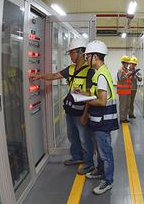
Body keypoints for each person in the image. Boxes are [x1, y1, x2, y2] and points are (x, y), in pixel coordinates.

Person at [30, 37, 95, 173]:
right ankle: (77, 157)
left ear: (80, 53)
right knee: (72, 136)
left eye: (72, 52)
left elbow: (91, 95)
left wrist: (85, 115)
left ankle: (89, 163)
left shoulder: (89, 71)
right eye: (70, 53)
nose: (70, 55)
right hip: (71, 110)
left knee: (85, 138)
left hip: (82, 111)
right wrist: (40, 76)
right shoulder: (70, 69)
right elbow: (54, 76)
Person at [75, 40, 118, 195]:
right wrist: (82, 94)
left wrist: (84, 100)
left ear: (96, 57)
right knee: (101, 151)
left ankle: (108, 181)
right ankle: (100, 172)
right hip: (99, 120)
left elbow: (101, 101)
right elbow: (95, 94)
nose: (86, 59)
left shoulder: (101, 76)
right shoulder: (100, 73)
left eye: (88, 57)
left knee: (105, 152)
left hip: (103, 121)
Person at [117, 55, 132, 123]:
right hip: (122, 91)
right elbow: (120, 79)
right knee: (123, 105)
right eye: (127, 63)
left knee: (127, 105)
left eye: (128, 63)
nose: (128, 64)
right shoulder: (120, 70)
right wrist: (127, 75)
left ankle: (125, 117)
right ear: (123, 63)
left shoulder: (127, 70)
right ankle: (122, 118)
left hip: (127, 91)